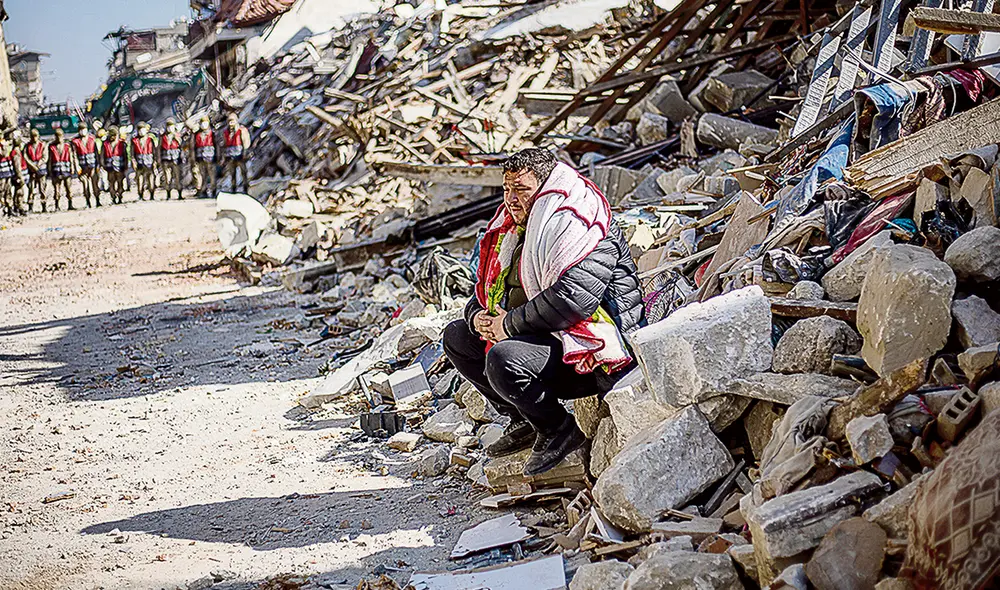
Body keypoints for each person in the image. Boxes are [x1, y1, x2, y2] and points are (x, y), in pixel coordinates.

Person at [442, 148, 645, 476]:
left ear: (546, 187)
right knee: (457, 337)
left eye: (521, 189)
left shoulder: (580, 224)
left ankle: (558, 429)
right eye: (506, 189)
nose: (511, 199)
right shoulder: (516, 233)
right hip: (548, 338)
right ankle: (522, 420)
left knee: (504, 359)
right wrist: (477, 315)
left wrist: (507, 325)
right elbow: (491, 290)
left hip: (595, 354)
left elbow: (574, 300)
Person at [71, 124, 101, 208]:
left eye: (84, 129)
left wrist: (98, 164)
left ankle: (98, 200)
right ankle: (88, 202)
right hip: (82, 167)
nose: (83, 131)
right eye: (81, 129)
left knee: (95, 184)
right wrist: (77, 167)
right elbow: (74, 155)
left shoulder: (92, 139)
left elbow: (96, 153)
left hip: (93, 166)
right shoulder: (75, 141)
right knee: (85, 185)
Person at [48, 128, 76, 211]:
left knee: (68, 188)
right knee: (56, 189)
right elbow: (50, 160)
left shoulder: (67, 146)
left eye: (60, 136)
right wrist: (49, 171)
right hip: (55, 171)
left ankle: (70, 204)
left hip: (66, 170)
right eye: (57, 136)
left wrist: (72, 167)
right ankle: (57, 205)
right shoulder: (51, 147)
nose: (59, 138)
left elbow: (71, 157)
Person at [222, 113, 250, 193]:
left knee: (243, 172)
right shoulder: (226, 132)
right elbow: (224, 144)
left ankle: (245, 187)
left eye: (232, 121)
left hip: (240, 155)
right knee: (232, 173)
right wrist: (224, 156)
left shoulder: (241, 130)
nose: (231, 123)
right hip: (230, 156)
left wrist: (245, 153)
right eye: (229, 121)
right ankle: (233, 188)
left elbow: (246, 142)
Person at [101, 126, 127, 205]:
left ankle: (120, 197)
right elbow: (102, 156)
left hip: (120, 166)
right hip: (109, 167)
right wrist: (103, 164)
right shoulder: (105, 144)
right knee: (111, 183)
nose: (113, 137)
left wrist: (126, 165)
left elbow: (125, 155)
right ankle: (113, 197)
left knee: (120, 182)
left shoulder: (122, 143)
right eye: (111, 135)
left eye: (114, 135)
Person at [191, 116, 216, 198]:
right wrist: (193, 157)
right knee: (202, 175)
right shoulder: (197, 134)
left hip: (210, 158)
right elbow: (193, 147)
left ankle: (213, 190)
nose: (203, 125)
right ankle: (203, 190)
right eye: (202, 123)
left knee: (211, 174)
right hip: (200, 157)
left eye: (205, 122)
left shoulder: (212, 133)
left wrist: (218, 156)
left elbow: (217, 145)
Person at [159, 118, 184, 200]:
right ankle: (168, 193)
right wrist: (158, 159)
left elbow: (182, 146)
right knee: (167, 178)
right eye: (168, 126)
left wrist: (176, 138)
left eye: (171, 126)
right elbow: (159, 148)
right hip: (165, 159)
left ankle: (179, 193)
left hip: (176, 159)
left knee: (177, 177)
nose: (170, 128)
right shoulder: (162, 137)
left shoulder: (178, 136)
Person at [131, 121, 156, 200]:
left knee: (151, 180)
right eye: (139, 129)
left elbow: (155, 151)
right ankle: (140, 195)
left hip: (149, 162)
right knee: (140, 180)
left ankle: (152, 194)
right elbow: (132, 153)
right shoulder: (134, 140)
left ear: (146, 130)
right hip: (139, 163)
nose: (141, 131)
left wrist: (155, 161)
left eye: (143, 129)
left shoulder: (150, 139)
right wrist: (133, 161)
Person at [24, 128, 48, 213]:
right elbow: (25, 157)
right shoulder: (27, 146)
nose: (34, 138)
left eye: (35, 136)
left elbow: (45, 157)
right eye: (32, 137)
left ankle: (44, 206)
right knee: (31, 190)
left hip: (41, 171)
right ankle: (30, 206)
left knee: (42, 189)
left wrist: (38, 164)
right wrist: (32, 166)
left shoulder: (43, 145)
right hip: (31, 172)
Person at [0, 132, 22, 216]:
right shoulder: (3, 146)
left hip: (7, 171)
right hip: (1, 172)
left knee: (8, 191)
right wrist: (4, 145)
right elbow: (4, 154)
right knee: (1, 191)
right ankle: (2, 209)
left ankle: (9, 208)